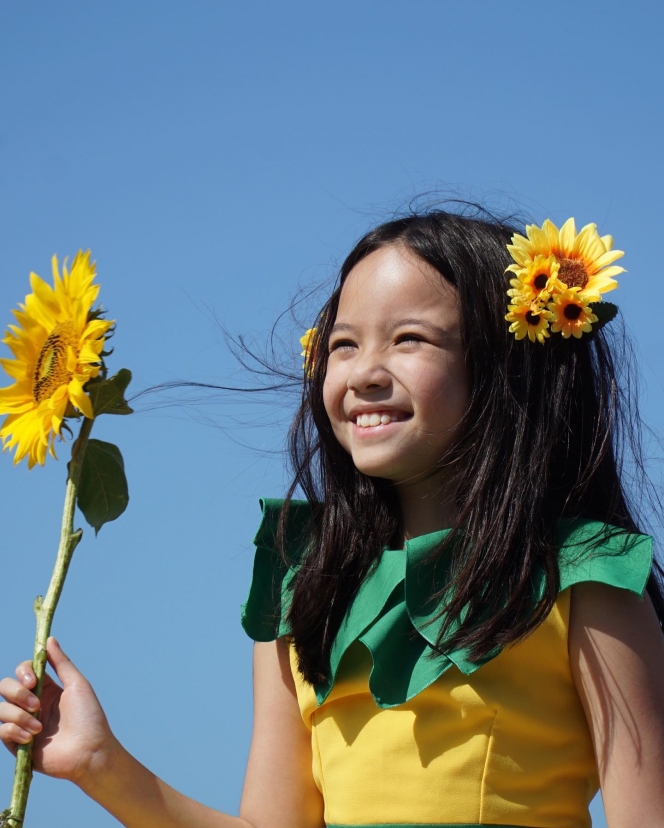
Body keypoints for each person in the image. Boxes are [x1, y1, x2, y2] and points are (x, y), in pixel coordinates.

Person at [1, 208, 664, 828]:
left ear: (507, 370)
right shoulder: (303, 580)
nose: (365, 371)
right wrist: (101, 765)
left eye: (409, 339)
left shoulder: (585, 575)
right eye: (343, 344)